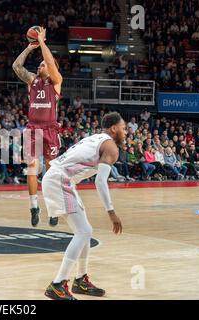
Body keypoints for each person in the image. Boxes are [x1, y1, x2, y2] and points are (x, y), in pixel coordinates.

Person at [41, 112, 124, 300]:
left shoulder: (96, 138)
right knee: (83, 232)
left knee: (85, 230)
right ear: (113, 128)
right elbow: (100, 182)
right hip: (60, 180)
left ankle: (80, 280)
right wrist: (111, 212)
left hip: (60, 179)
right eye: (123, 127)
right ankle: (57, 284)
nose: (125, 131)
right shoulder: (110, 146)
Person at [12, 26, 62, 227]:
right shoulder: (32, 81)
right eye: (39, 65)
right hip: (33, 129)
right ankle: (34, 207)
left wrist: (42, 42)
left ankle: (53, 207)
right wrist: (30, 47)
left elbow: (50, 61)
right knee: (32, 169)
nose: (40, 66)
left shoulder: (56, 81)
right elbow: (16, 66)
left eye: (43, 65)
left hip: (50, 129)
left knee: (50, 173)